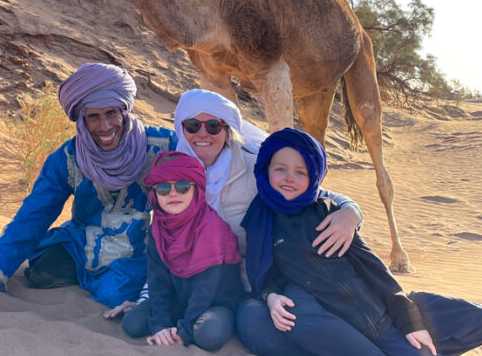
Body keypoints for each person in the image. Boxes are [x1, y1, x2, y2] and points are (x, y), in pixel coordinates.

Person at [241, 127, 482, 356]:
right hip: (330, 323)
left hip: (379, 316)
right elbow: (262, 270)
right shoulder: (260, 217)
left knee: (481, 324)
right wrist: (270, 296)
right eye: (280, 169)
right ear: (265, 170)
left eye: (301, 172)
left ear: (314, 175)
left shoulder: (329, 211)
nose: (289, 178)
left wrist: (408, 320)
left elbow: (375, 270)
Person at [109, 88, 363, 335]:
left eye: (213, 126)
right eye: (192, 126)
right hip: (181, 284)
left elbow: (314, 193)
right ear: (181, 129)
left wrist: (350, 213)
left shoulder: (254, 169)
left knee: (220, 332)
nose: (202, 134)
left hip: (237, 284)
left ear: (228, 130)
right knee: (135, 323)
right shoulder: (173, 175)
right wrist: (147, 298)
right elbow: (164, 242)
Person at [0, 63, 174, 308]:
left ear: (124, 111)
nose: (105, 126)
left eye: (111, 113)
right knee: (41, 272)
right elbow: (35, 213)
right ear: (81, 120)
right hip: (84, 243)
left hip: (141, 247)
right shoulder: (67, 158)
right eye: (93, 117)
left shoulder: (164, 146)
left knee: (116, 294)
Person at [130, 150, 244, 351]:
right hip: (180, 300)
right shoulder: (158, 228)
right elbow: (157, 282)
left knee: (208, 335)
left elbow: (205, 289)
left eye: (182, 186)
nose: (173, 193)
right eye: (163, 188)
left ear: (196, 189)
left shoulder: (211, 227)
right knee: (132, 324)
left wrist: (184, 332)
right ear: (155, 194)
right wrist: (160, 325)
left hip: (216, 303)